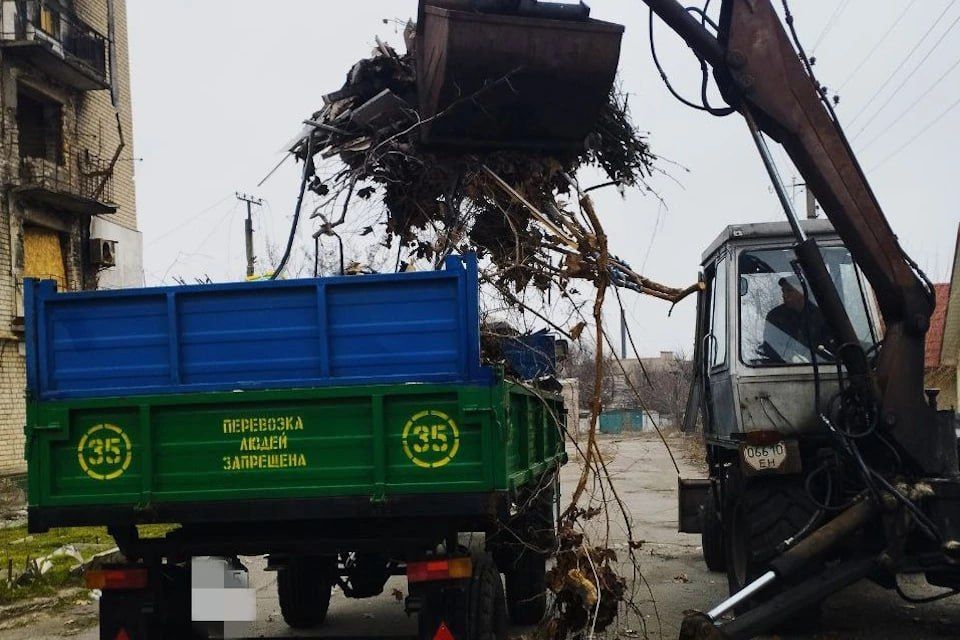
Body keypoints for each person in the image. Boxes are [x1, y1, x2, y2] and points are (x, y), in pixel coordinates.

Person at [762, 275, 830, 363]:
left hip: (822, 367)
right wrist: (791, 357)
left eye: (789, 290)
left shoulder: (821, 316)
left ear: (803, 291)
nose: (784, 295)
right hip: (784, 369)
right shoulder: (775, 316)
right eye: (783, 291)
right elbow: (770, 345)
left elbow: (830, 346)